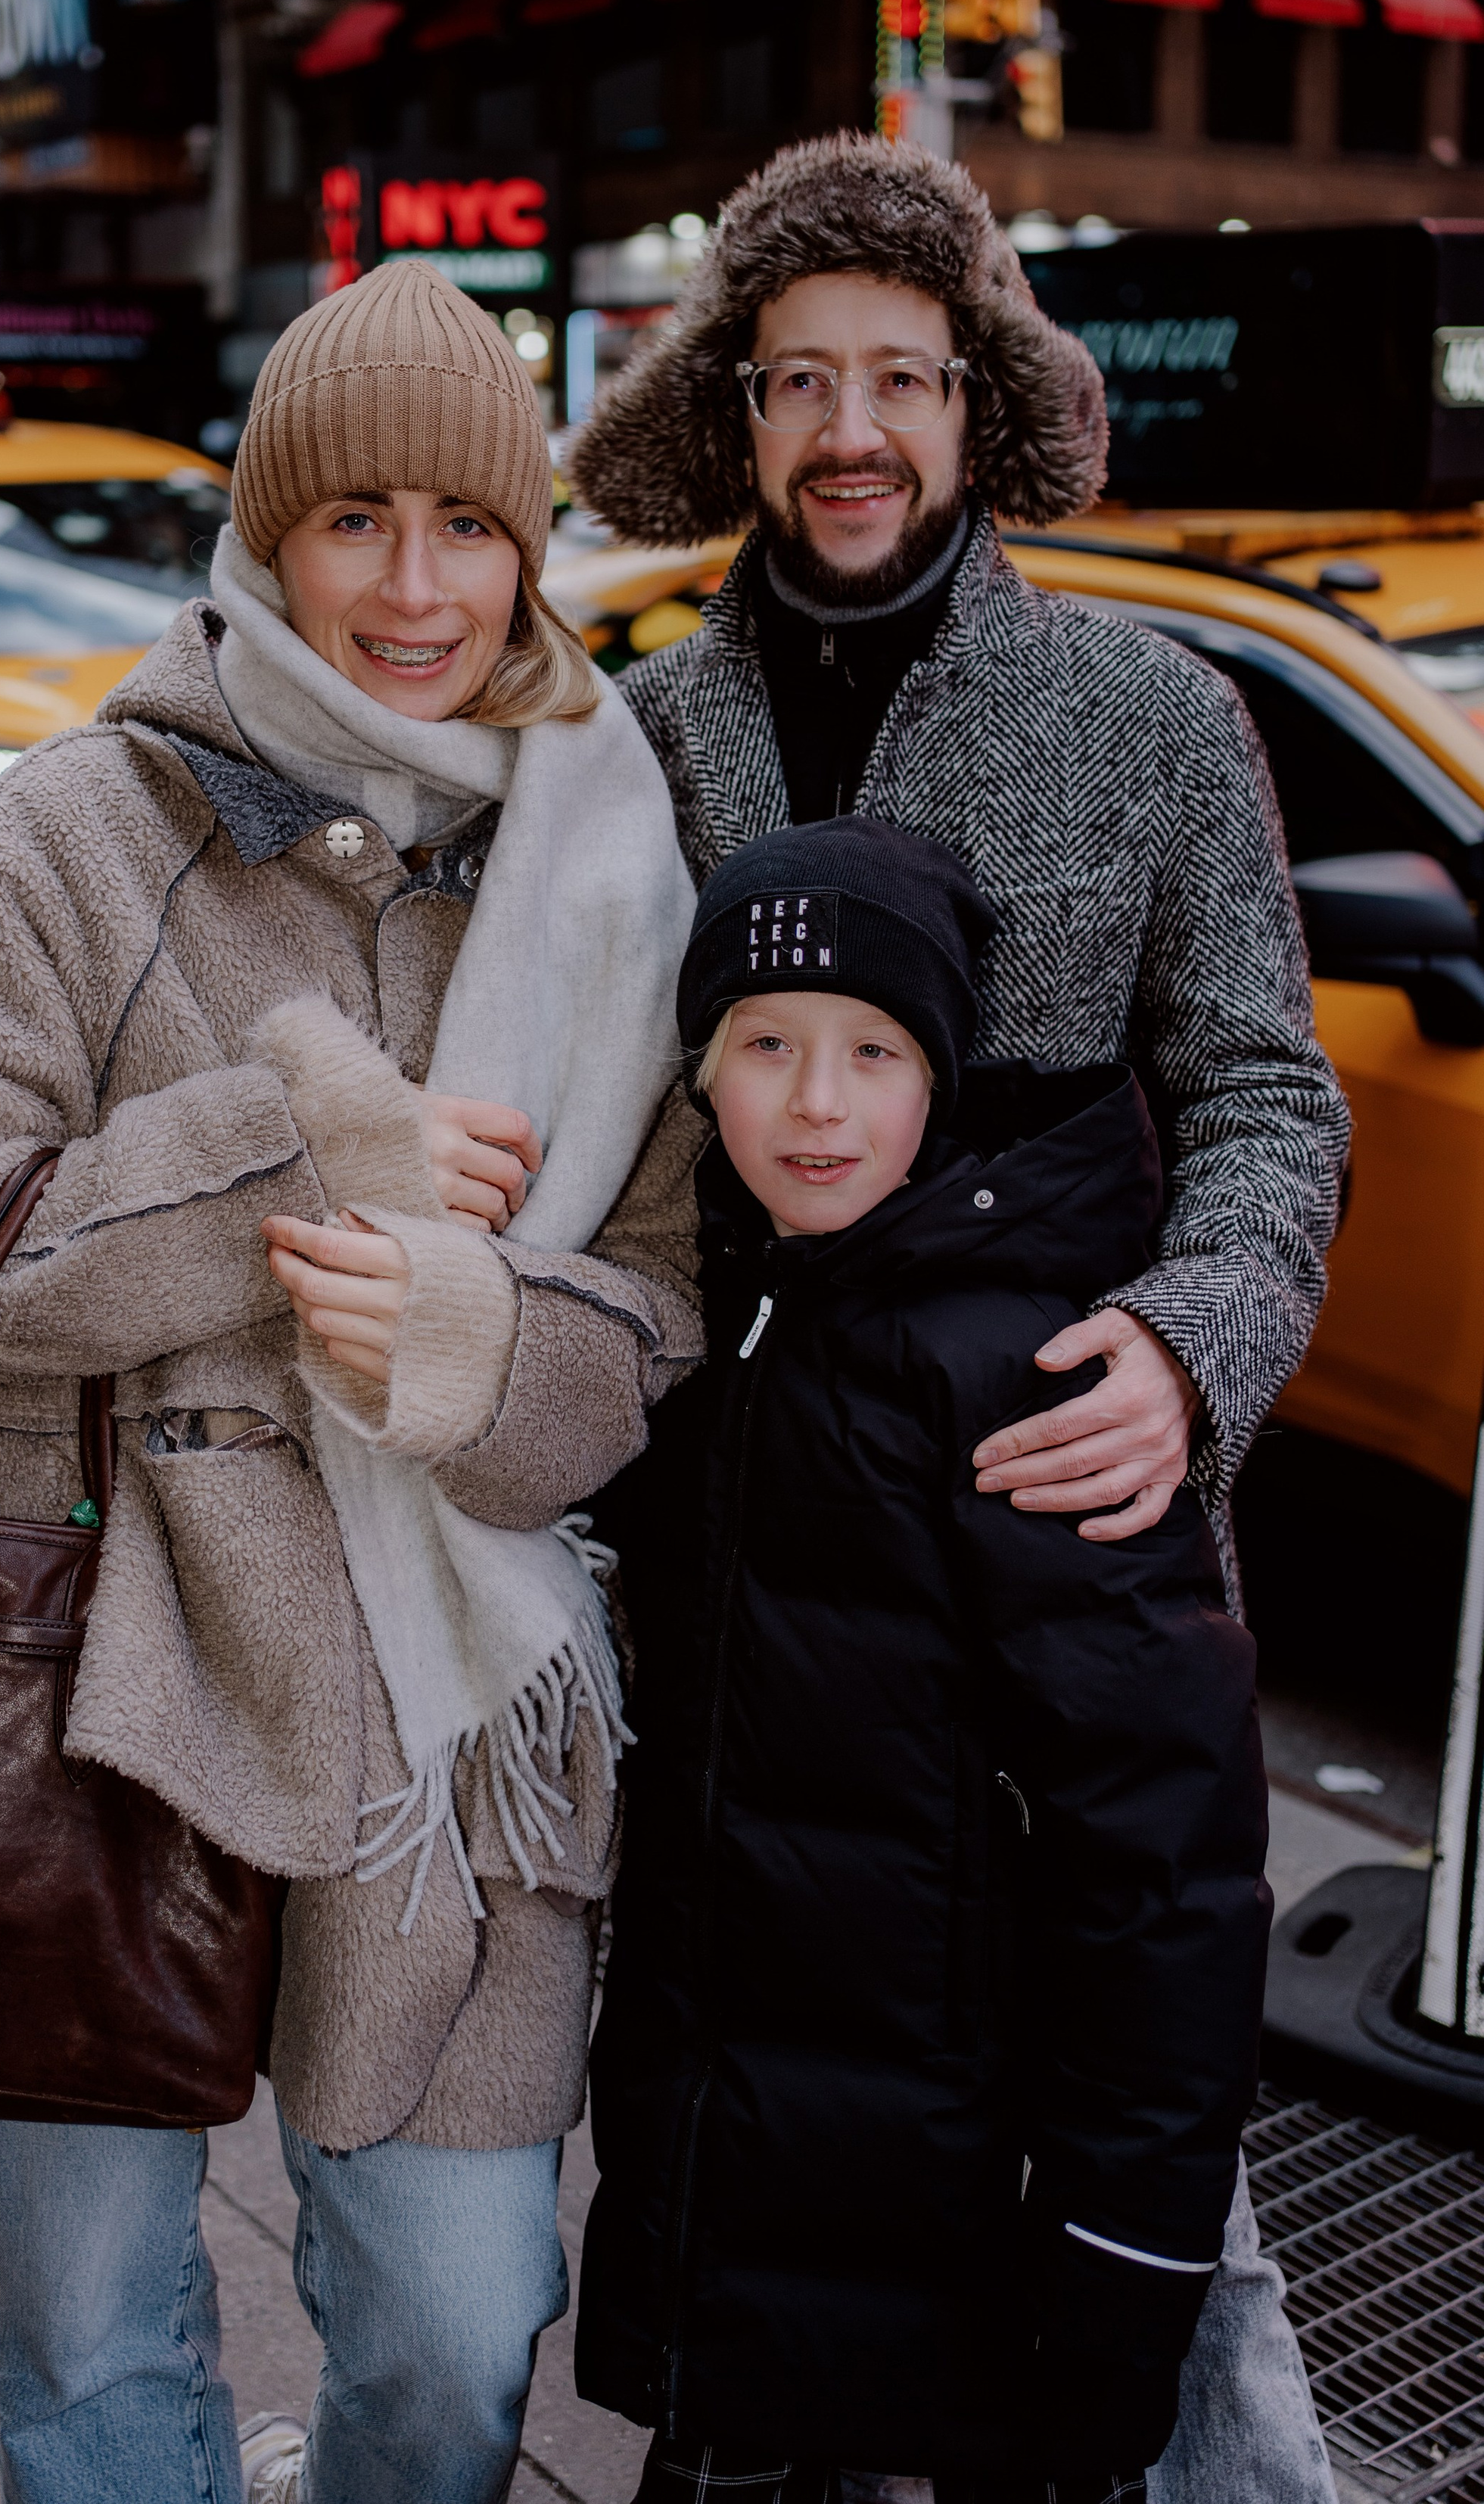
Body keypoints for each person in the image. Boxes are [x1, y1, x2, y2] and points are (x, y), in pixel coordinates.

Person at [0, 257, 705, 2504]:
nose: (418, 587)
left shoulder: (602, 846)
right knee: (98, 2349)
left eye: (471, 525)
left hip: (450, 1737)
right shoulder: (74, 834)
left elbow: (668, 1291)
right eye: (356, 521)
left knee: (457, 2327)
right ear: (266, 537)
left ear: (529, 543)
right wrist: (295, 1149)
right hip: (108, 1693)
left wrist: (489, 1346)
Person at [571, 131, 1350, 2503]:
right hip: (743, 1588)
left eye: (901, 376)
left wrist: (1202, 1339)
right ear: (731, 413)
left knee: (1147, 2209)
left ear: (980, 405)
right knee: (775, 2157)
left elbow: (1263, 1093)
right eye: (799, 379)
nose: (851, 434)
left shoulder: (1148, 711)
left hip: (1045, 1566)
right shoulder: (638, 736)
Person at [576, 814, 1271, 2504]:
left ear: (938, 1075)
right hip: (738, 2192)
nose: (815, 1104)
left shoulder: (1023, 1381)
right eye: (763, 1045)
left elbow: (1164, 1852)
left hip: (952, 2211)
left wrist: (1125, 2250)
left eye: (871, 1051)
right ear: (699, 1073)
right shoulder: (716, 1334)